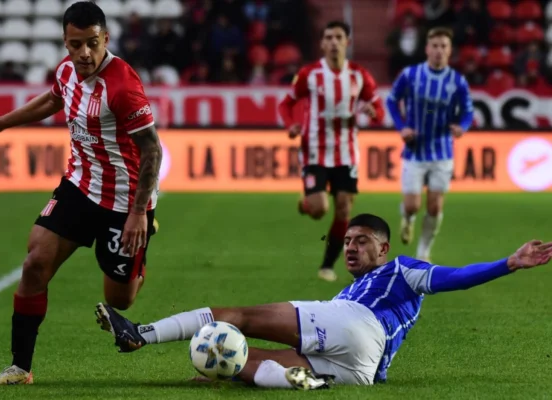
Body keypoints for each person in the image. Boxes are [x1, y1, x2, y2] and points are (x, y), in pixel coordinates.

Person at [94, 213, 552, 390]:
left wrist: (507, 263)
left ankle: (141, 333)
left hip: (355, 324)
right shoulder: (354, 289)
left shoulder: (401, 271)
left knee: (234, 317)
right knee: (238, 361)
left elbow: (455, 278)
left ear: (384, 248)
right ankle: (301, 380)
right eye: (347, 241)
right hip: (363, 370)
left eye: (362, 241)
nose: (351, 247)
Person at [0, 1, 163, 385]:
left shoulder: (122, 87)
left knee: (121, 299)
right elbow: (54, 98)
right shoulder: (67, 71)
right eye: (75, 44)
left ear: (105, 38)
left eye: (92, 44)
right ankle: (21, 367)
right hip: (79, 185)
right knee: (35, 262)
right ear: (65, 42)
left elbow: (152, 150)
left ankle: (141, 250)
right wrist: (3, 122)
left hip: (124, 200)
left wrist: (140, 214)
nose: (84, 53)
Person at [278, 21, 385, 283]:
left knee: (344, 211)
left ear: (347, 42)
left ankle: (327, 266)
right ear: (323, 43)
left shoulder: (360, 75)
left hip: (346, 153)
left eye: (339, 37)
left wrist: (374, 113)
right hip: (314, 149)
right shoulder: (309, 74)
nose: (334, 42)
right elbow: (287, 103)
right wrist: (291, 124)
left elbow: (378, 108)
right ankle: (306, 203)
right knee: (318, 209)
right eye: (329, 37)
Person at [385, 27, 474, 262]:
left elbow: (468, 111)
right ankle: (408, 218)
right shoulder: (410, 75)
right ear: (427, 48)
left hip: (442, 151)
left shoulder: (457, 81)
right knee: (413, 205)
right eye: (434, 46)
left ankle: (424, 252)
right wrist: (401, 127)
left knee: (434, 207)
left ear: (450, 50)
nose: (439, 51)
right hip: (415, 151)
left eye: (443, 46)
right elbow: (392, 101)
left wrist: (461, 127)